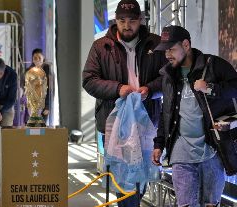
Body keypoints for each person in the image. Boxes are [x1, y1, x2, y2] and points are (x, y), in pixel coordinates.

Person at [82, 0, 166, 206]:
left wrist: (151, 89)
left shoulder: (155, 44)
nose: (127, 25)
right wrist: (118, 89)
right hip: (115, 124)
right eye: (122, 21)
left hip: (147, 122)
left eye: (132, 21)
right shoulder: (101, 46)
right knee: (123, 181)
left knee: (142, 179)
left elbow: (167, 77)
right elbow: (89, 80)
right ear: (115, 21)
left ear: (141, 20)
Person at [151, 25, 237, 207]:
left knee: (210, 203)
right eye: (165, 50)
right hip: (181, 152)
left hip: (212, 150)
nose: (167, 55)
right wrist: (158, 143)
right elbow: (165, 112)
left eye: (171, 49)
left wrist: (211, 88)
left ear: (186, 45)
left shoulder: (213, 65)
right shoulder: (168, 75)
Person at [26, 48, 51, 123]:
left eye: (39, 58)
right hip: (32, 104)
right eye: (35, 58)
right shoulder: (28, 71)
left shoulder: (48, 70)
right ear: (32, 59)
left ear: (43, 58)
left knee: (42, 129)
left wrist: (47, 106)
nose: (37, 60)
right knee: (31, 129)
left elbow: (50, 90)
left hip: (44, 104)